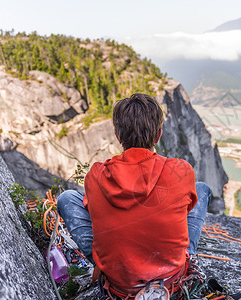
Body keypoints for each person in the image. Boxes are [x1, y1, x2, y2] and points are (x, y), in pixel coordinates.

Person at [57, 93, 211, 298]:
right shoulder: (181, 171)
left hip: (120, 285)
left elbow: (90, 209)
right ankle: (186, 258)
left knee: (67, 198)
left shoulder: (96, 175)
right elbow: (186, 210)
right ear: (158, 135)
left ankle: (106, 263)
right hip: (171, 283)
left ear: (118, 135)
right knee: (201, 189)